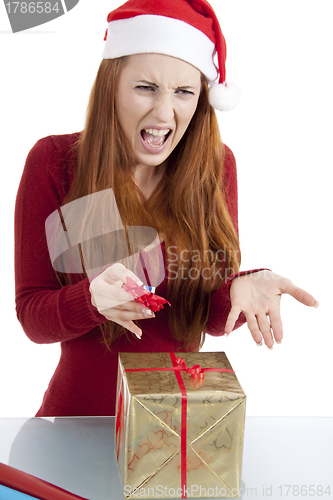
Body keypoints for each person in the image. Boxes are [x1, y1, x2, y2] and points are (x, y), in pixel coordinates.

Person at [14, 0, 318, 417]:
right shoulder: (53, 161)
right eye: (145, 87)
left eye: (184, 92)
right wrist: (91, 300)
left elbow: (208, 316)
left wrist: (238, 290)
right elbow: (33, 315)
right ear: (112, 86)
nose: (163, 112)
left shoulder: (217, 166)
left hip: (173, 431)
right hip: (74, 424)